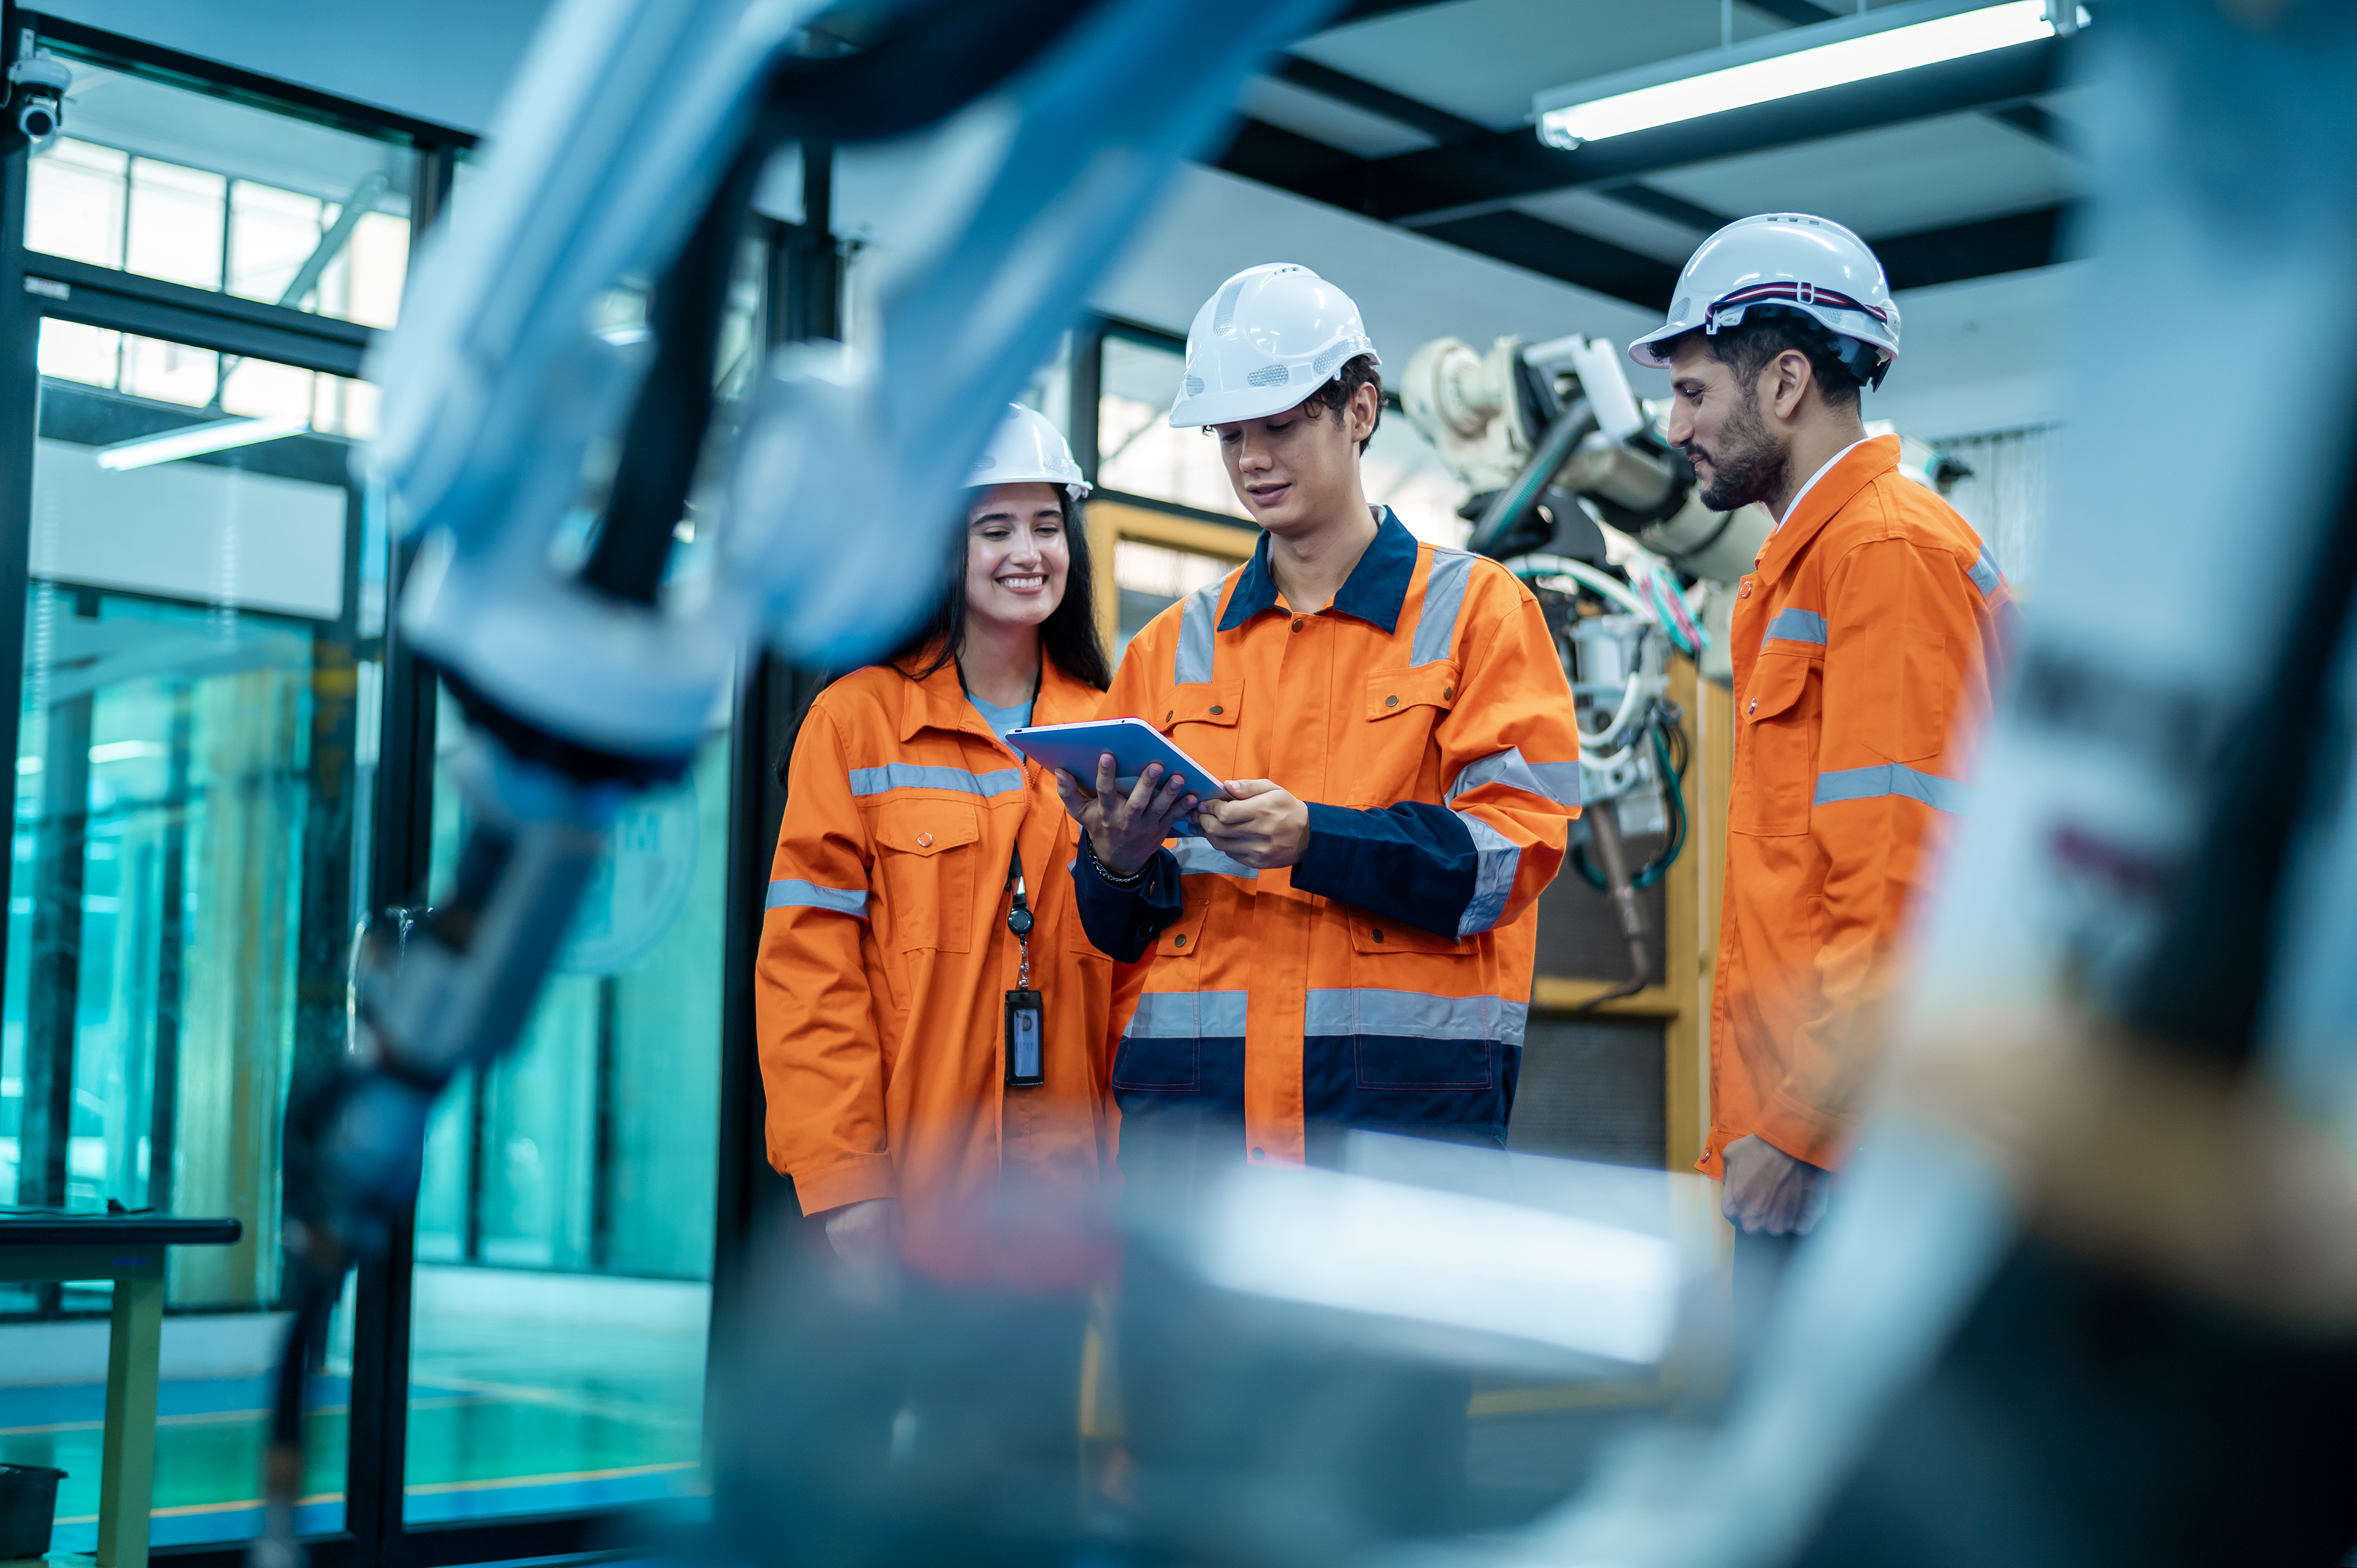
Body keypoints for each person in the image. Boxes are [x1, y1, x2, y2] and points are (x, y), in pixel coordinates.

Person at [1056, 263, 1584, 1164]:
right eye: (1229, 435)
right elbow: (1112, 931)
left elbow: (1513, 857)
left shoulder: (1479, 613)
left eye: (1279, 426)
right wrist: (1116, 861)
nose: (1251, 459)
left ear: (1361, 409)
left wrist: (1316, 839)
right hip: (1196, 1130)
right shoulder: (1172, 646)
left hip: (1398, 1121)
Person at [1626, 213, 2013, 1339]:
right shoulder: (1798, 567)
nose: (1675, 424)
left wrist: (1806, 1129)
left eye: (1696, 392)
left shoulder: (1884, 554)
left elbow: (1896, 878)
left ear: (1787, 380)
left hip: (1849, 1151)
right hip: (1809, 1138)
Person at [756, 402, 1174, 1261]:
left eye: (1047, 526)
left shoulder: (1116, 733)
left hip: (1068, 1210)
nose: (1027, 553)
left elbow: (1146, 978)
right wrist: (847, 1190)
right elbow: (810, 971)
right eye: (995, 529)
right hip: (908, 1207)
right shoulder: (857, 723)